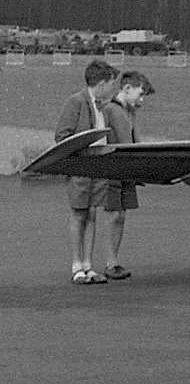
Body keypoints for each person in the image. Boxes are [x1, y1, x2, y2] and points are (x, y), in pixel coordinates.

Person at [55, 59, 119, 285]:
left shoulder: (105, 106)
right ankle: (76, 266)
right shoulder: (75, 102)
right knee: (78, 213)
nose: (113, 87)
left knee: (92, 213)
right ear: (101, 83)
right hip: (81, 167)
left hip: (98, 166)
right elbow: (62, 136)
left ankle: (88, 265)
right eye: (111, 82)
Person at [99, 71, 154, 280]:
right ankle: (110, 262)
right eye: (140, 95)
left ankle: (113, 261)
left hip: (125, 170)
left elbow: (134, 141)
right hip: (113, 170)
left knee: (121, 216)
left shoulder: (128, 112)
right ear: (127, 89)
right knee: (115, 215)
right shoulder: (110, 110)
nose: (141, 102)